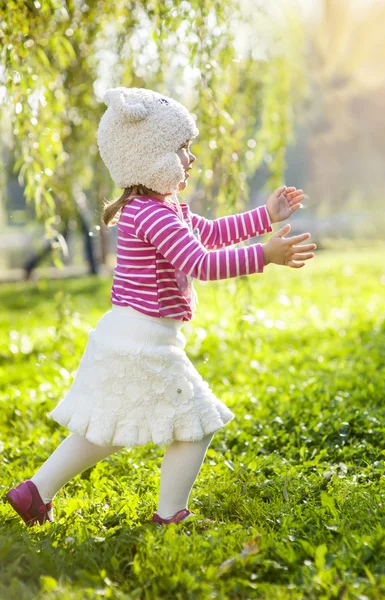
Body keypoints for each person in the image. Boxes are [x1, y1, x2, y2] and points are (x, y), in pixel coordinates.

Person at [6, 87, 316, 527]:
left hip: (127, 337)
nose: (190, 158)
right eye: (181, 149)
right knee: (197, 424)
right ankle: (171, 516)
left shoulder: (157, 207)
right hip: (145, 344)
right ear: (150, 157)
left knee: (106, 429)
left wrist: (264, 216)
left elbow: (207, 233)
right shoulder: (152, 214)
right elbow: (201, 263)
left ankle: (34, 492)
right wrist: (263, 255)